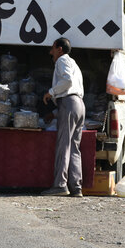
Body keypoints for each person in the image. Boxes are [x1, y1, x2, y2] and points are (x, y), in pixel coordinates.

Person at [42, 37, 85, 198]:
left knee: (64, 145)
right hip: (79, 104)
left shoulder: (62, 61)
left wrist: (51, 92)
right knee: (74, 147)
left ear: (60, 49)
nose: (50, 52)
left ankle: (60, 184)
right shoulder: (74, 63)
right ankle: (76, 187)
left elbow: (67, 81)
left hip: (69, 102)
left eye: (53, 48)